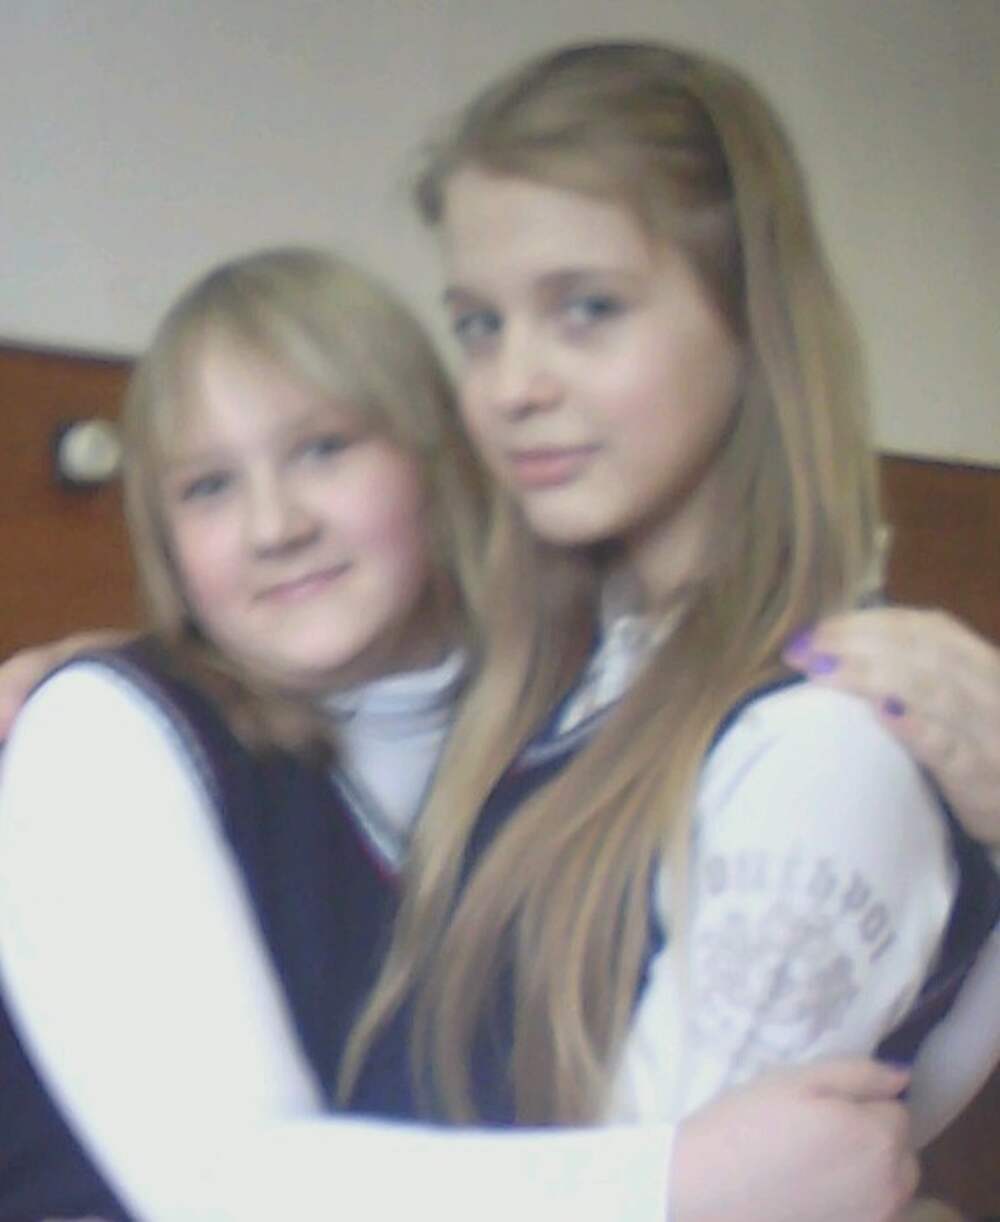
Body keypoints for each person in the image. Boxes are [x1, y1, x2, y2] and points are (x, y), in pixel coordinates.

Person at [0, 245, 921, 1222]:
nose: (275, 526)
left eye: (324, 449)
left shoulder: (570, 726)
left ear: (436, 460)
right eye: (208, 487)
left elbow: (821, 1102)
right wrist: (676, 1185)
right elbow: (224, 1191)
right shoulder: (102, 737)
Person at [333, 39, 999, 1134]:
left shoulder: (817, 743)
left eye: (587, 308)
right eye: (479, 325)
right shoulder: (547, 681)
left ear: (750, 322)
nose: (510, 386)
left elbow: (674, 1191)